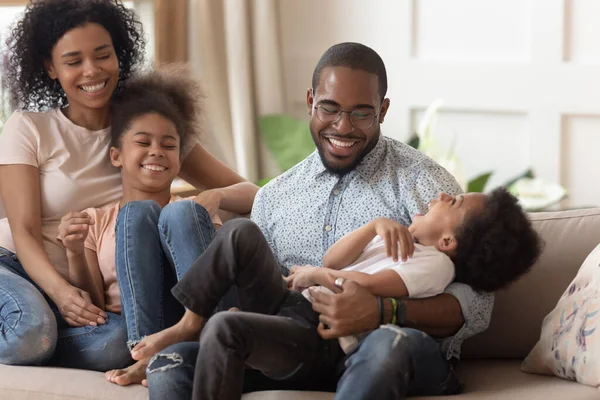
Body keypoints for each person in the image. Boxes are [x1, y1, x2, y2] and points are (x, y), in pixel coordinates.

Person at [146, 42, 495, 399]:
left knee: (389, 343)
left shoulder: (424, 184)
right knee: (170, 364)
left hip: (386, 348)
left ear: (383, 109)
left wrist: (383, 310)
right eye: (329, 108)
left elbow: (476, 305)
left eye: (361, 113)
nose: (343, 127)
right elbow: (270, 292)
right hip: (299, 348)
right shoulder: (275, 196)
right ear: (311, 100)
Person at [0, 0, 256, 371]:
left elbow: (250, 193)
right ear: (50, 68)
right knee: (29, 332)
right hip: (15, 266)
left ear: (119, 54)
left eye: (102, 55)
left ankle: (45, 336)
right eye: (73, 61)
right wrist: (60, 292)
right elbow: (23, 231)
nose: (92, 71)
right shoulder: (29, 128)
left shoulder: (146, 127)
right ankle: (31, 330)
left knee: (121, 344)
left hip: (86, 290)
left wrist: (209, 198)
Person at [140, 188, 541, 400]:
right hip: (289, 303)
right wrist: (372, 227)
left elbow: (361, 289)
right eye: (329, 107)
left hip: (318, 331)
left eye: (450, 201)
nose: (439, 196)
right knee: (241, 232)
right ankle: (189, 322)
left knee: (227, 328)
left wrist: (317, 273)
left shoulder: (434, 262)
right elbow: (335, 258)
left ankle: (209, 328)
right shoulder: (392, 236)